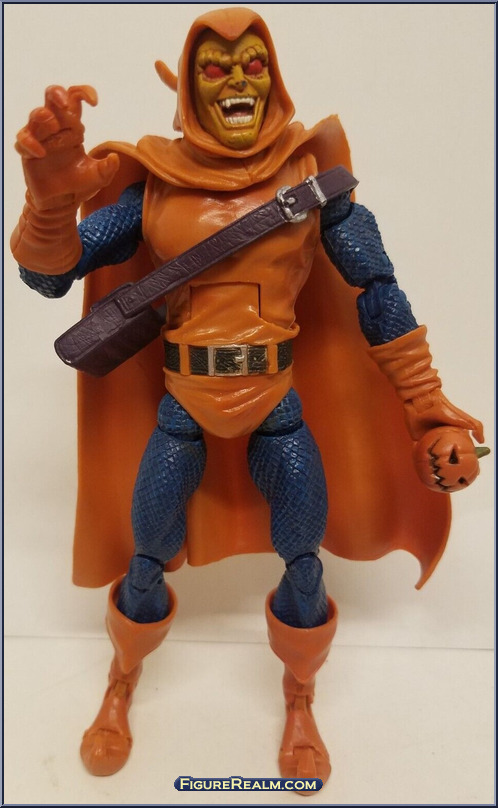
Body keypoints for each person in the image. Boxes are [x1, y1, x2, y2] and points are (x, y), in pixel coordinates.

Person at [11, 7, 485, 787]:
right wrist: (50, 200)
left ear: (275, 79)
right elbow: (50, 274)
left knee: (305, 558)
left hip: (276, 404)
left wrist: (428, 407)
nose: (236, 78)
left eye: (252, 63)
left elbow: (378, 292)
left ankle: (299, 696)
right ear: (188, 85)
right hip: (182, 404)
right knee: (145, 555)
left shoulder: (313, 183)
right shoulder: (157, 183)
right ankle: (122, 680)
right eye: (216, 65)